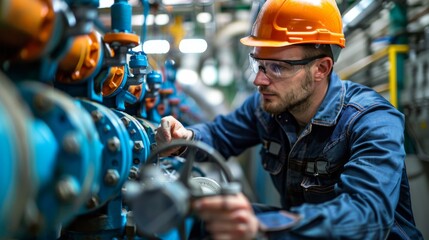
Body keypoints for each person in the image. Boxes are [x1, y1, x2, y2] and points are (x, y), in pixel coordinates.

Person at [155, 0, 423, 239]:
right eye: (258, 64)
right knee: (207, 222)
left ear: (321, 68)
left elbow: (367, 218)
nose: (259, 80)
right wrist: (185, 138)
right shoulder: (266, 108)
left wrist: (267, 225)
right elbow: (220, 134)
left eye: (277, 67)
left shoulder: (372, 121)